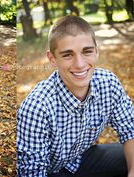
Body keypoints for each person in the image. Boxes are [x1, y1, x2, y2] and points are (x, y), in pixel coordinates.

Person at [17, 15, 134, 177]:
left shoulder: (108, 84)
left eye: (87, 51)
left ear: (96, 51)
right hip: (49, 171)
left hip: (79, 160)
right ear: (52, 59)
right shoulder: (36, 107)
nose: (79, 64)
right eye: (67, 55)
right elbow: (32, 172)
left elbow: (130, 130)